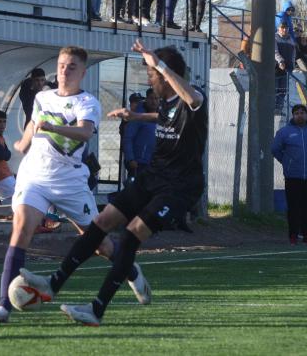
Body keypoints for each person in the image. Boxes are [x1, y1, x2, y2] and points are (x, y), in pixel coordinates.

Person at [15, 39, 206, 327]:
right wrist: (136, 116)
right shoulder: (166, 104)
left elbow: (191, 102)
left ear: (166, 75)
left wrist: (161, 66)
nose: (150, 79)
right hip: (153, 175)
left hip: (179, 186)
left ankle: (96, 309)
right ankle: (52, 285)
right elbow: (164, 117)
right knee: (101, 221)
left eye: (152, 74)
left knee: (130, 235)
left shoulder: (193, 98)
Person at [0, 46, 152, 324]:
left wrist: (52, 128)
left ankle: (131, 271)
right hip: (35, 174)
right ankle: (3, 306)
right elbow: (33, 123)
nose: (64, 70)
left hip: (69, 181)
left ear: (82, 72)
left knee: (99, 244)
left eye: (71, 66)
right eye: (61, 65)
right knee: (21, 228)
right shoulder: (42, 96)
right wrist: (25, 142)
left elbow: (84, 133)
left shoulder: (88, 102)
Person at [272, 104, 307, 245]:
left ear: (306, 115)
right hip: (293, 176)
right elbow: (275, 149)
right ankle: (293, 235)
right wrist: (286, 161)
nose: (300, 115)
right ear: (293, 115)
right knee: (294, 207)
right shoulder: (284, 132)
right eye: (297, 113)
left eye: (302, 112)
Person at [123, 88, 158, 178]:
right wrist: (130, 159)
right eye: (151, 98)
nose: (153, 101)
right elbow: (128, 138)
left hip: (157, 164)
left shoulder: (163, 115)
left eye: (156, 98)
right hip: (140, 164)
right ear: (146, 99)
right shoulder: (138, 116)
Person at [274, 22, 295, 111]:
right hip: (276, 67)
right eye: (282, 28)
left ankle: (279, 108)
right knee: (274, 89)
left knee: (283, 90)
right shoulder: (274, 38)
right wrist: (280, 61)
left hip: (287, 68)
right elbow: (274, 51)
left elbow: (294, 53)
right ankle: (272, 108)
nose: (284, 29)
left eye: (286, 28)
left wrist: (292, 63)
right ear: (278, 28)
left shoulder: (290, 39)